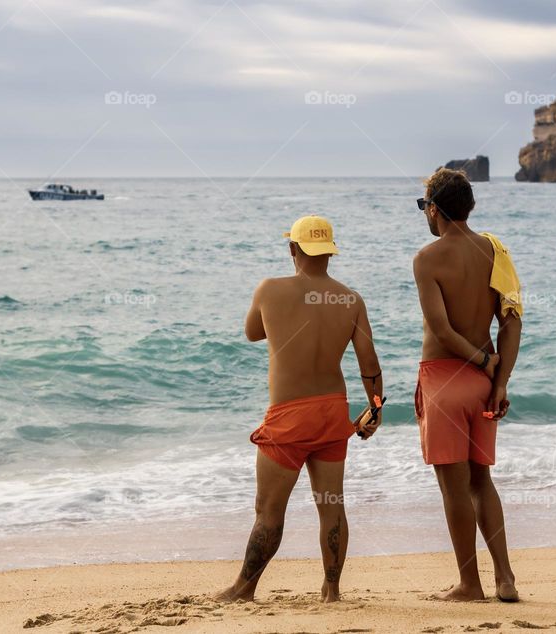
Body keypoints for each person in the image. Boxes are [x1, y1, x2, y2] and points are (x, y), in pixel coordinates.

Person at [215, 215, 383, 603]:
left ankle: (243, 588)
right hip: (332, 412)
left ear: (293, 248)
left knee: (268, 509)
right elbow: (369, 364)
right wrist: (374, 408)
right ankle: (332, 590)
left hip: (289, 415)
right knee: (331, 506)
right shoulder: (351, 300)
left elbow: (253, 332)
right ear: (329, 252)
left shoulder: (270, 289)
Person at [412, 168, 523, 602]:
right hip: (482, 385)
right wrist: (499, 378)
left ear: (435, 210)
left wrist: (480, 358)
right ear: (470, 207)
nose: (425, 214)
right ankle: (506, 578)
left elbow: (440, 330)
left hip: (444, 382)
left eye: (424, 207)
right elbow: (511, 322)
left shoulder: (427, 259)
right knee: (482, 482)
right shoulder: (494, 252)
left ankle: (469, 584)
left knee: (453, 489)